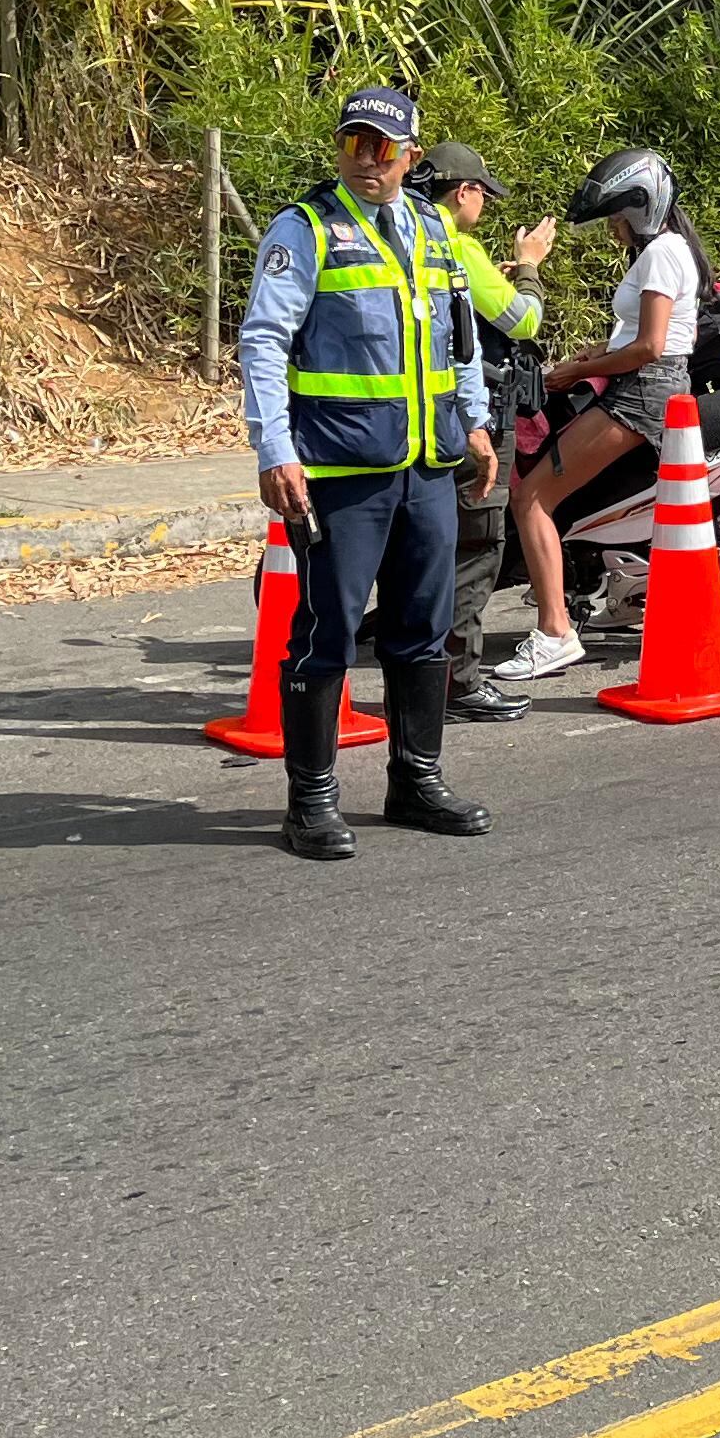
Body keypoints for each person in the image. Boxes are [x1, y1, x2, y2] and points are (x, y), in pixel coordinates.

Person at [231, 86, 495, 859]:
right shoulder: (306, 227)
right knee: (327, 634)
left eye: (379, 147)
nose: (363, 159)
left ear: (410, 156)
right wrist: (275, 449)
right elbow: (263, 341)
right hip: (342, 469)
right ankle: (311, 801)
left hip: (427, 466)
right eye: (352, 142)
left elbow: (459, 338)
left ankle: (416, 780)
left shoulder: (432, 229)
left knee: (424, 631)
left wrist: (476, 423)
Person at [501, 147, 702, 682]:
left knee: (531, 498)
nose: (613, 228)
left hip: (641, 391)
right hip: (645, 384)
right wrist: (596, 352)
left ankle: (554, 633)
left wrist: (576, 371)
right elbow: (648, 337)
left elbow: (651, 347)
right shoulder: (669, 249)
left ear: (638, 209)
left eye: (616, 218)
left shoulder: (659, 254)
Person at [404, 141, 555, 723]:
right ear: (463, 192)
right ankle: (457, 684)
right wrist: (531, 265)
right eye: (483, 195)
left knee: (423, 548)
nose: (484, 205)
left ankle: (414, 678)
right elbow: (524, 320)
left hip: (415, 418)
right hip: (474, 418)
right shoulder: (458, 248)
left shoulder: (398, 238)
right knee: (475, 548)